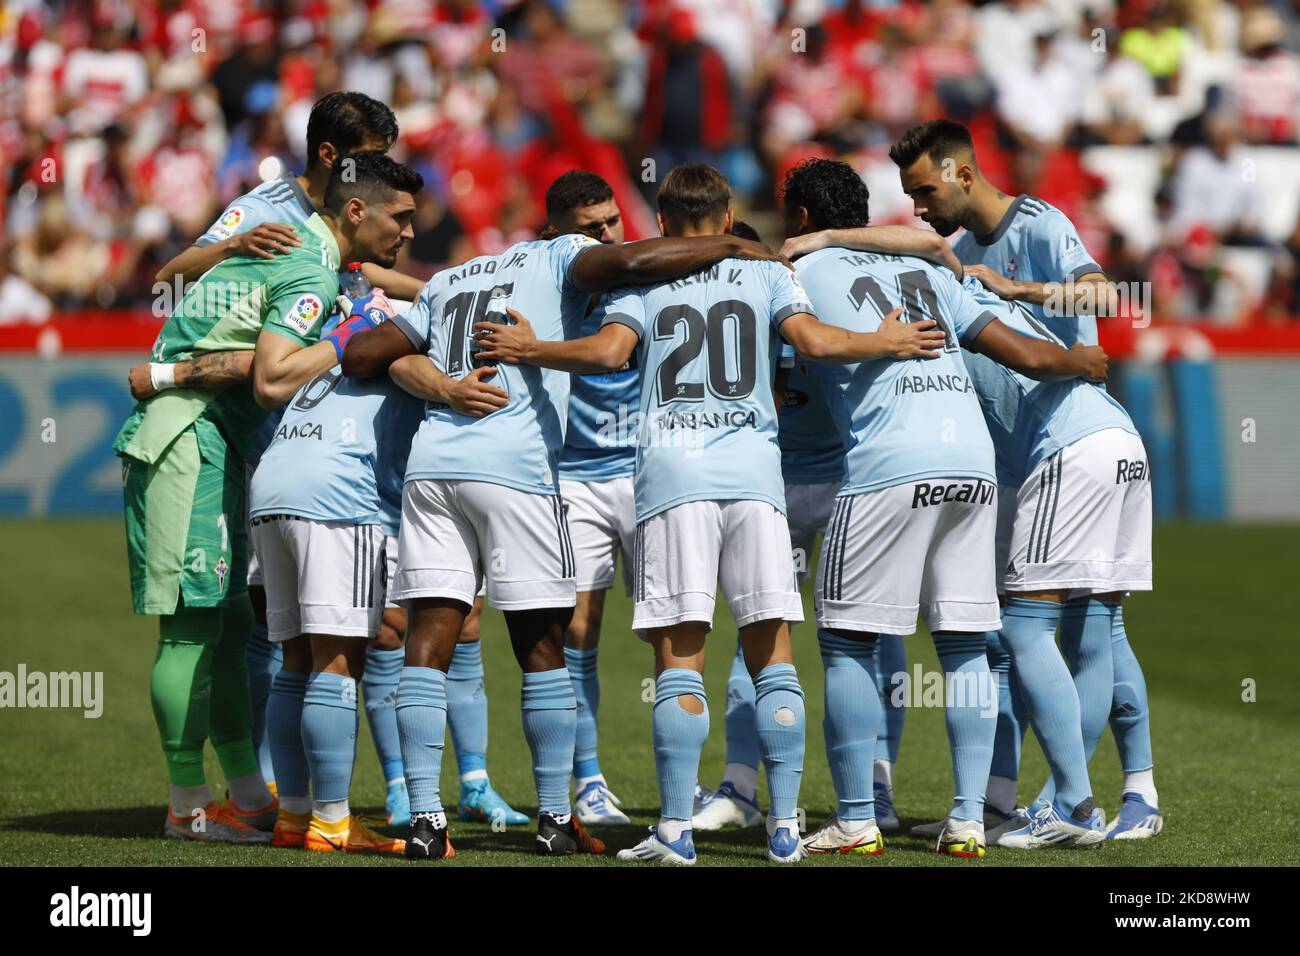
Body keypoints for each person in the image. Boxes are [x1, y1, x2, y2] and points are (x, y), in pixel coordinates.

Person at [474, 163, 947, 864]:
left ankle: (674, 831)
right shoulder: (765, 272)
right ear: (729, 220)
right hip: (758, 480)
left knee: (680, 658)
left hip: (673, 478)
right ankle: (785, 829)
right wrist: (891, 341)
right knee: (773, 656)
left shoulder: (646, 279)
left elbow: (608, 356)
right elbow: (814, 342)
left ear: (663, 226)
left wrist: (529, 348)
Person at [345, 190, 784, 861]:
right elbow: (635, 260)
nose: (604, 236)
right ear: (557, 232)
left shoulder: (452, 280)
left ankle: (426, 821)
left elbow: (361, 356)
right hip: (515, 468)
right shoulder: (562, 260)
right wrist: (732, 244)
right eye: (593, 228)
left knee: (427, 643)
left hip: (433, 472)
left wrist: (438, 382)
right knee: (544, 644)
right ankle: (555, 816)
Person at [781, 157, 1110, 856]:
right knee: (963, 647)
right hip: (972, 469)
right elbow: (1022, 350)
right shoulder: (930, 271)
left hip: (885, 466)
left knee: (846, 643)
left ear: (801, 220)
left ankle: (856, 819)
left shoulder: (790, 270)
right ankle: (966, 821)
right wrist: (1076, 362)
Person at [114, 149, 421, 844]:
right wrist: (348, 337)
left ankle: (249, 798)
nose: (409, 231)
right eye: (399, 217)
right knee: (193, 626)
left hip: (209, 438)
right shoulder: (308, 264)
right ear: (355, 209)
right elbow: (275, 378)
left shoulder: (315, 253)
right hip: (187, 437)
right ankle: (187, 807)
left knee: (230, 626)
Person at [889, 119, 1161, 840]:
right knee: (1088, 631)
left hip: (1068, 444)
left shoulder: (1036, 222)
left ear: (961, 173)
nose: (918, 208)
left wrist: (1018, 288)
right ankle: (1122, 793)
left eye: (923, 191)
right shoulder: (954, 257)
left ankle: (1078, 802)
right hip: (1059, 455)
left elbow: (1107, 298)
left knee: (1035, 628)